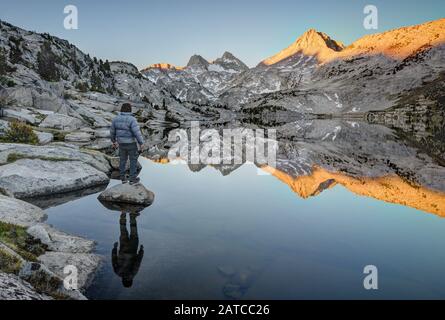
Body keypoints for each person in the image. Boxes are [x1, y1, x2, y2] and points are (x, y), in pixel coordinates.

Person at [110, 103, 145, 184]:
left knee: (122, 160)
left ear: (121, 109)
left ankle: (122, 178)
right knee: (133, 160)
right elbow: (137, 133)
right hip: (131, 143)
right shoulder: (132, 119)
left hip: (121, 143)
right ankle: (132, 179)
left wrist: (114, 141)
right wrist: (141, 143)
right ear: (130, 110)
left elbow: (112, 132)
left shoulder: (116, 119)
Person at [112, 211, 144, 288]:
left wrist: (141, 251)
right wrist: (115, 248)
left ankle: (132, 216)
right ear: (123, 281)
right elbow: (114, 259)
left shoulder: (132, 273)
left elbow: (137, 262)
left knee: (134, 233)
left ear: (131, 281)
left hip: (132, 250)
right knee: (123, 231)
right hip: (123, 249)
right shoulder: (118, 272)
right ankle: (123, 215)